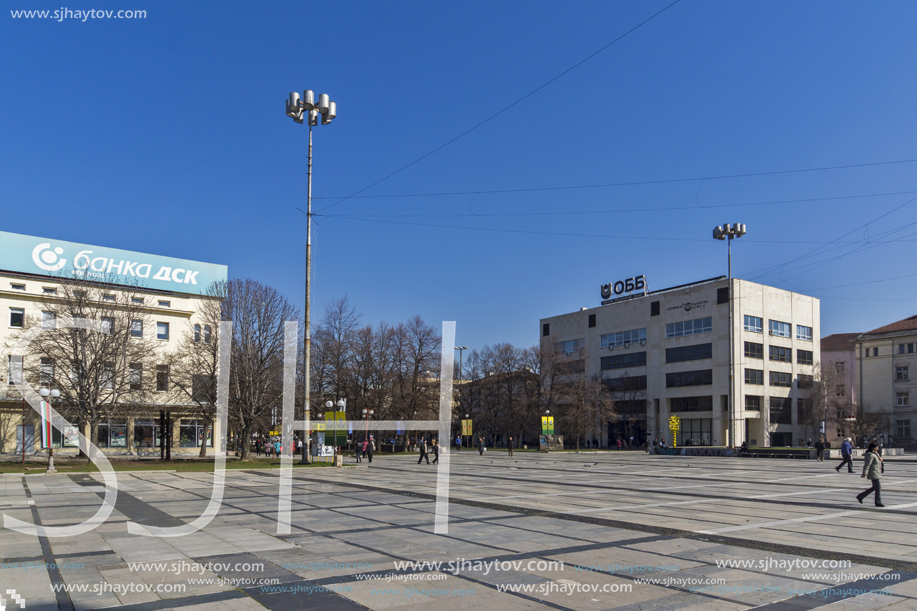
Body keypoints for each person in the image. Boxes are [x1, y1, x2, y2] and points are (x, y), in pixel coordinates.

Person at [857, 441, 884, 507]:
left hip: (876, 472)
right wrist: (864, 473)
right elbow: (867, 465)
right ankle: (878, 502)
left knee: (875, 487)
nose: (878, 448)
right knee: (878, 487)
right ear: (873, 448)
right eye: (877, 447)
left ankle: (860, 496)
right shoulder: (870, 455)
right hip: (873, 473)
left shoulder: (876, 454)